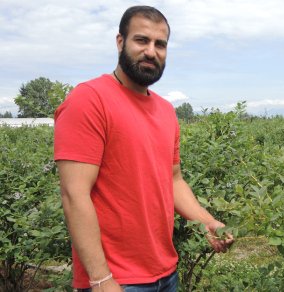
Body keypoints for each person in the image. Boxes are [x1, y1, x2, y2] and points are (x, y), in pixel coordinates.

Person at [54, 6, 234, 291]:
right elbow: (74, 194)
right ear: (120, 42)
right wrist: (100, 279)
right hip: (116, 280)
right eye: (142, 40)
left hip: (165, 272)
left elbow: (173, 179)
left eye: (160, 44)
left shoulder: (165, 110)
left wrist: (206, 221)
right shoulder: (89, 100)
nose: (151, 51)